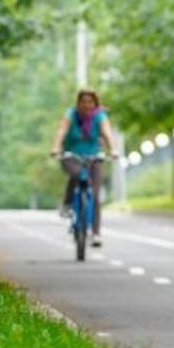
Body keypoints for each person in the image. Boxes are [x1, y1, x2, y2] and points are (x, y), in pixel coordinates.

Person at [49, 89, 118, 247]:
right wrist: (55, 147)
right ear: (78, 103)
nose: (87, 105)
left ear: (95, 103)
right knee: (78, 174)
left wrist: (112, 149)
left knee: (94, 193)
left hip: (93, 157)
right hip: (71, 156)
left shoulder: (99, 116)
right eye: (83, 101)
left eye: (90, 102)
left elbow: (107, 133)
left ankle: (96, 234)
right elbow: (61, 131)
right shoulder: (70, 114)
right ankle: (67, 204)